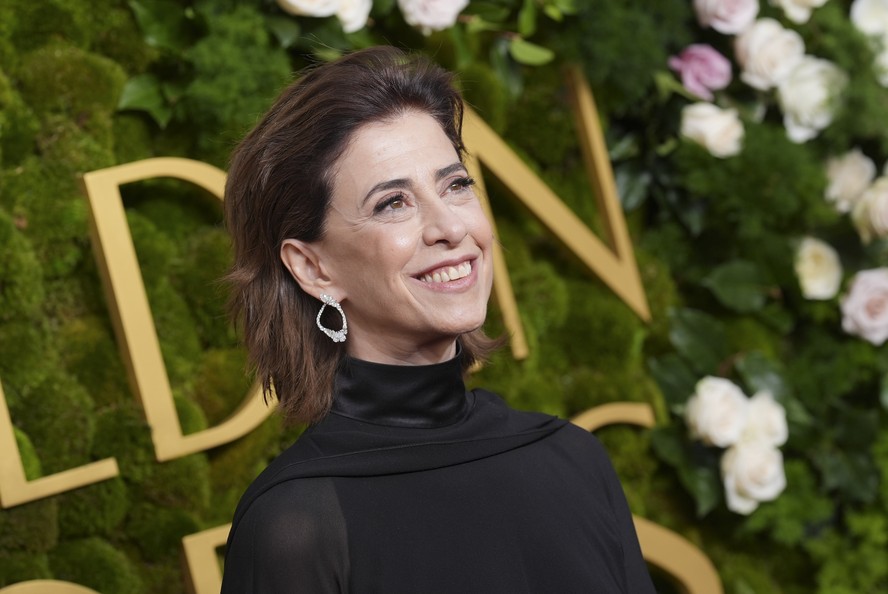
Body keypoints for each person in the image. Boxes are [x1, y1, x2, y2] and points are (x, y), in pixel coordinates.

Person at [220, 46, 656, 593]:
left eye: (455, 185)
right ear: (313, 268)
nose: (450, 227)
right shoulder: (295, 523)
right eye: (393, 203)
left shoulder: (574, 458)